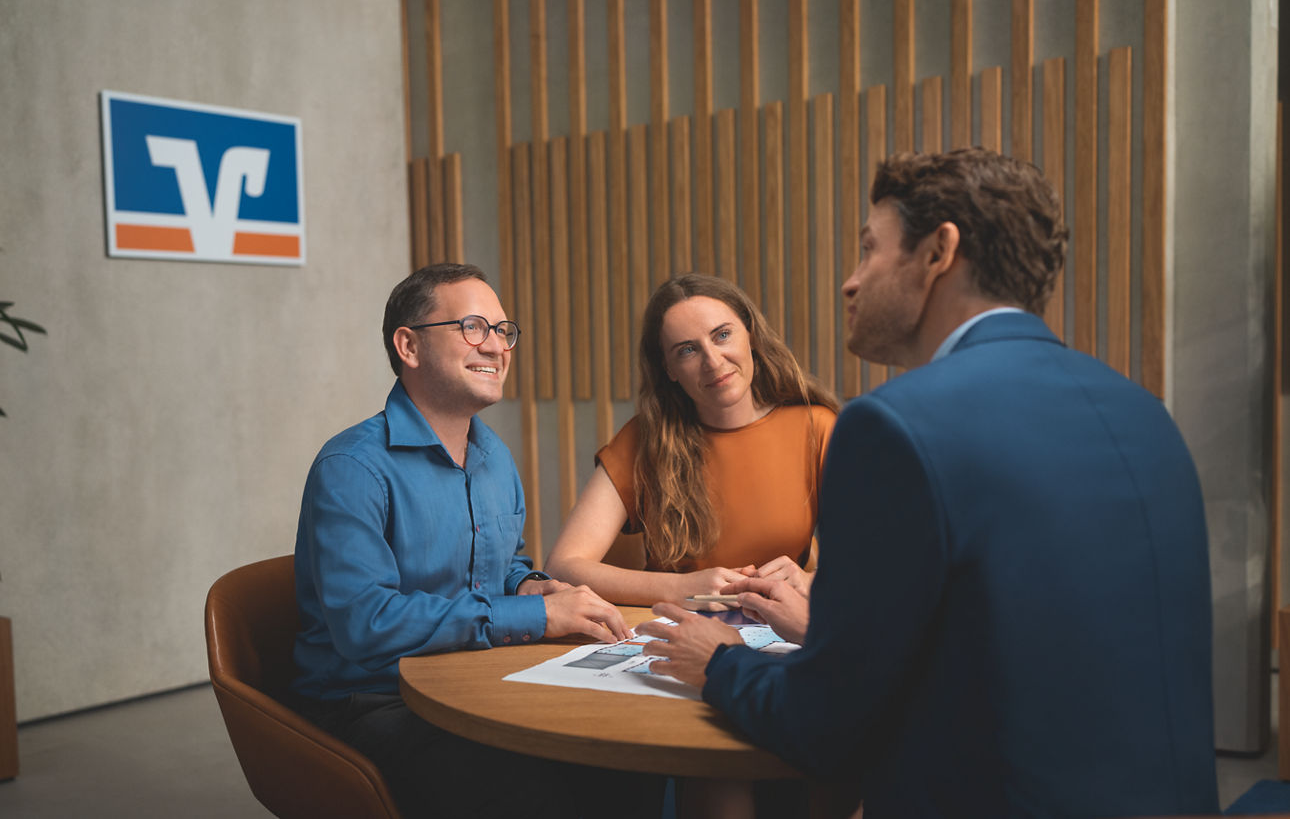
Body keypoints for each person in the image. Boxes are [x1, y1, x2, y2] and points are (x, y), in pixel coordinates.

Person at [644, 149, 1219, 818]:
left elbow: (824, 729)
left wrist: (720, 661)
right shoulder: (1145, 414)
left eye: (869, 249)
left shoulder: (891, 427)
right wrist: (828, 627)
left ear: (938, 252)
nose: (850, 282)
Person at [289, 262, 648, 818]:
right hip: (375, 702)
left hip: (475, 678)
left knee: (624, 756)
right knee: (538, 790)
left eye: (504, 332)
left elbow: (504, 564)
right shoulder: (352, 467)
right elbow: (367, 625)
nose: (498, 346)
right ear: (409, 346)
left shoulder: (494, 457)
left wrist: (531, 586)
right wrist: (535, 619)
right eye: (474, 327)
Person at [545, 272, 838, 607]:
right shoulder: (644, 439)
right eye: (687, 350)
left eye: (722, 335)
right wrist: (680, 588)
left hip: (782, 638)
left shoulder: (817, 428)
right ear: (668, 369)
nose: (713, 362)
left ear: (751, 336)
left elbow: (877, 564)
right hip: (673, 631)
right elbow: (562, 567)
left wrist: (807, 581)